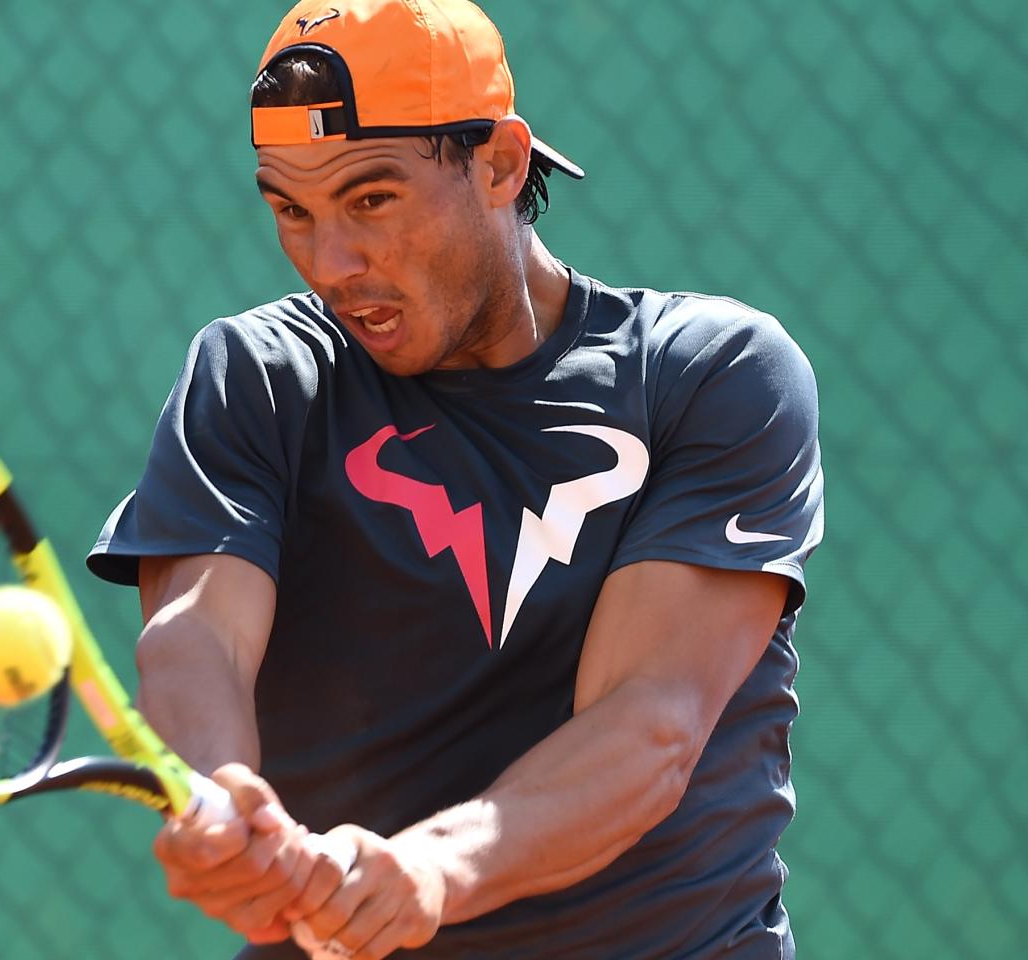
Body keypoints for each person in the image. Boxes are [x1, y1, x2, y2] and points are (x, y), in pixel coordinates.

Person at [85, 1, 825, 956]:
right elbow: (198, 636)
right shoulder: (259, 379)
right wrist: (221, 797)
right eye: (290, 210)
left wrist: (431, 870)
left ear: (501, 165)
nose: (333, 262)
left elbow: (650, 724)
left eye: (371, 200)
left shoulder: (710, 376)